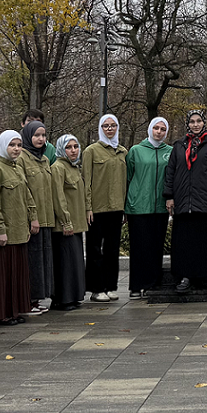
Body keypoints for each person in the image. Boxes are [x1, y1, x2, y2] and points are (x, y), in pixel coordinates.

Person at [166, 110, 207, 293]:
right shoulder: (179, 145)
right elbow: (170, 172)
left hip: (204, 201)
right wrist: (169, 196)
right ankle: (184, 276)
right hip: (183, 201)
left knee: (203, 239)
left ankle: (202, 276)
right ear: (188, 124)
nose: (195, 124)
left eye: (198, 121)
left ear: (204, 123)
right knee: (183, 241)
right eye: (192, 121)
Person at [0, 130, 37, 326]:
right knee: (2, 274)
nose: (16, 149)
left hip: (19, 231)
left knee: (16, 274)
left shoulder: (17, 168)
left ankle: (13, 311)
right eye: (12, 145)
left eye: (19, 145)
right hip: (4, 233)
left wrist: (33, 218)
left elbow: (27, 196)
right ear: (2, 146)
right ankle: (0, 313)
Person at [83, 114, 127, 303]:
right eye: (106, 126)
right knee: (95, 249)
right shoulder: (91, 151)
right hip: (97, 209)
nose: (110, 129)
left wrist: (124, 208)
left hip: (116, 209)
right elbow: (86, 181)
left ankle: (110, 286)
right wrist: (87, 207)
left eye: (113, 125)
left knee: (112, 249)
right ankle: (96, 288)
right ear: (101, 128)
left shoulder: (123, 152)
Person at [126, 117, 172, 298]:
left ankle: (152, 284)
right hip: (138, 207)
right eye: (156, 128)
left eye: (162, 129)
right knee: (139, 247)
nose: (159, 132)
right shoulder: (136, 151)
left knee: (156, 247)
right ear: (149, 129)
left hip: (160, 207)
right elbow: (128, 176)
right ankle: (136, 286)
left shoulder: (170, 151)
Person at [18, 120, 54, 314]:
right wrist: (32, 216)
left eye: (43, 135)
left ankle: (37, 299)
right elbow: (25, 190)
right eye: (37, 135)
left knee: (42, 261)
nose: (41, 139)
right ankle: (28, 299)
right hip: (32, 219)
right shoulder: (22, 158)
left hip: (46, 218)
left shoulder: (45, 159)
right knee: (31, 261)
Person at [49, 135, 87, 311]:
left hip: (76, 224)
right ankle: (63, 299)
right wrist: (66, 222)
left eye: (76, 146)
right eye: (69, 147)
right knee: (65, 263)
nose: (73, 150)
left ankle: (73, 296)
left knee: (74, 262)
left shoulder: (74, 168)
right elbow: (58, 197)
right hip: (65, 226)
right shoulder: (58, 168)